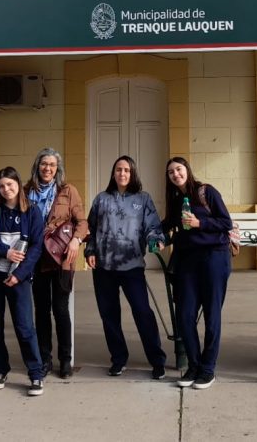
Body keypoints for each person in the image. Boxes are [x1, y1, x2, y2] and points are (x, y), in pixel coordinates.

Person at [85, 156, 168, 379]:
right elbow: (90, 229)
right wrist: (90, 251)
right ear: (113, 173)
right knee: (109, 315)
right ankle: (118, 358)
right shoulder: (101, 199)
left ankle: (157, 360)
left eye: (127, 170)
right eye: (119, 170)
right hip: (104, 268)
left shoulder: (143, 199)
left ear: (133, 174)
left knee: (143, 313)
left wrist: (155, 240)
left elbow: (152, 227)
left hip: (132, 267)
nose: (123, 174)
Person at [163, 156, 233, 390]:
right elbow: (167, 226)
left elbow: (225, 222)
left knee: (212, 315)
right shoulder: (175, 201)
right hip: (187, 262)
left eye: (179, 169)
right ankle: (194, 365)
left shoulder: (206, 192)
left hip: (214, 257)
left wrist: (199, 224)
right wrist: (158, 237)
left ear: (187, 170)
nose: (176, 174)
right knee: (185, 314)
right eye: (171, 172)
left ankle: (207, 368)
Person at [0, 167, 47, 396]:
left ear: (18, 183)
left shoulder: (32, 212)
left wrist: (20, 274)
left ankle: (35, 374)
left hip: (19, 279)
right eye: (1, 186)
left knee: (25, 327)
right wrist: (4, 252)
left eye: (10, 184)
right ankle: (0, 370)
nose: (6, 189)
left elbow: (37, 247)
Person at [25, 148, 87, 380]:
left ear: (57, 169)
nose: (47, 169)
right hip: (37, 258)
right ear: (37, 166)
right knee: (41, 310)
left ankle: (65, 360)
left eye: (52, 165)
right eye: (44, 164)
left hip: (62, 259)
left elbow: (82, 222)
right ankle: (44, 358)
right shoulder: (26, 191)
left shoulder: (67, 191)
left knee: (60, 309)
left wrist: (75, 241)